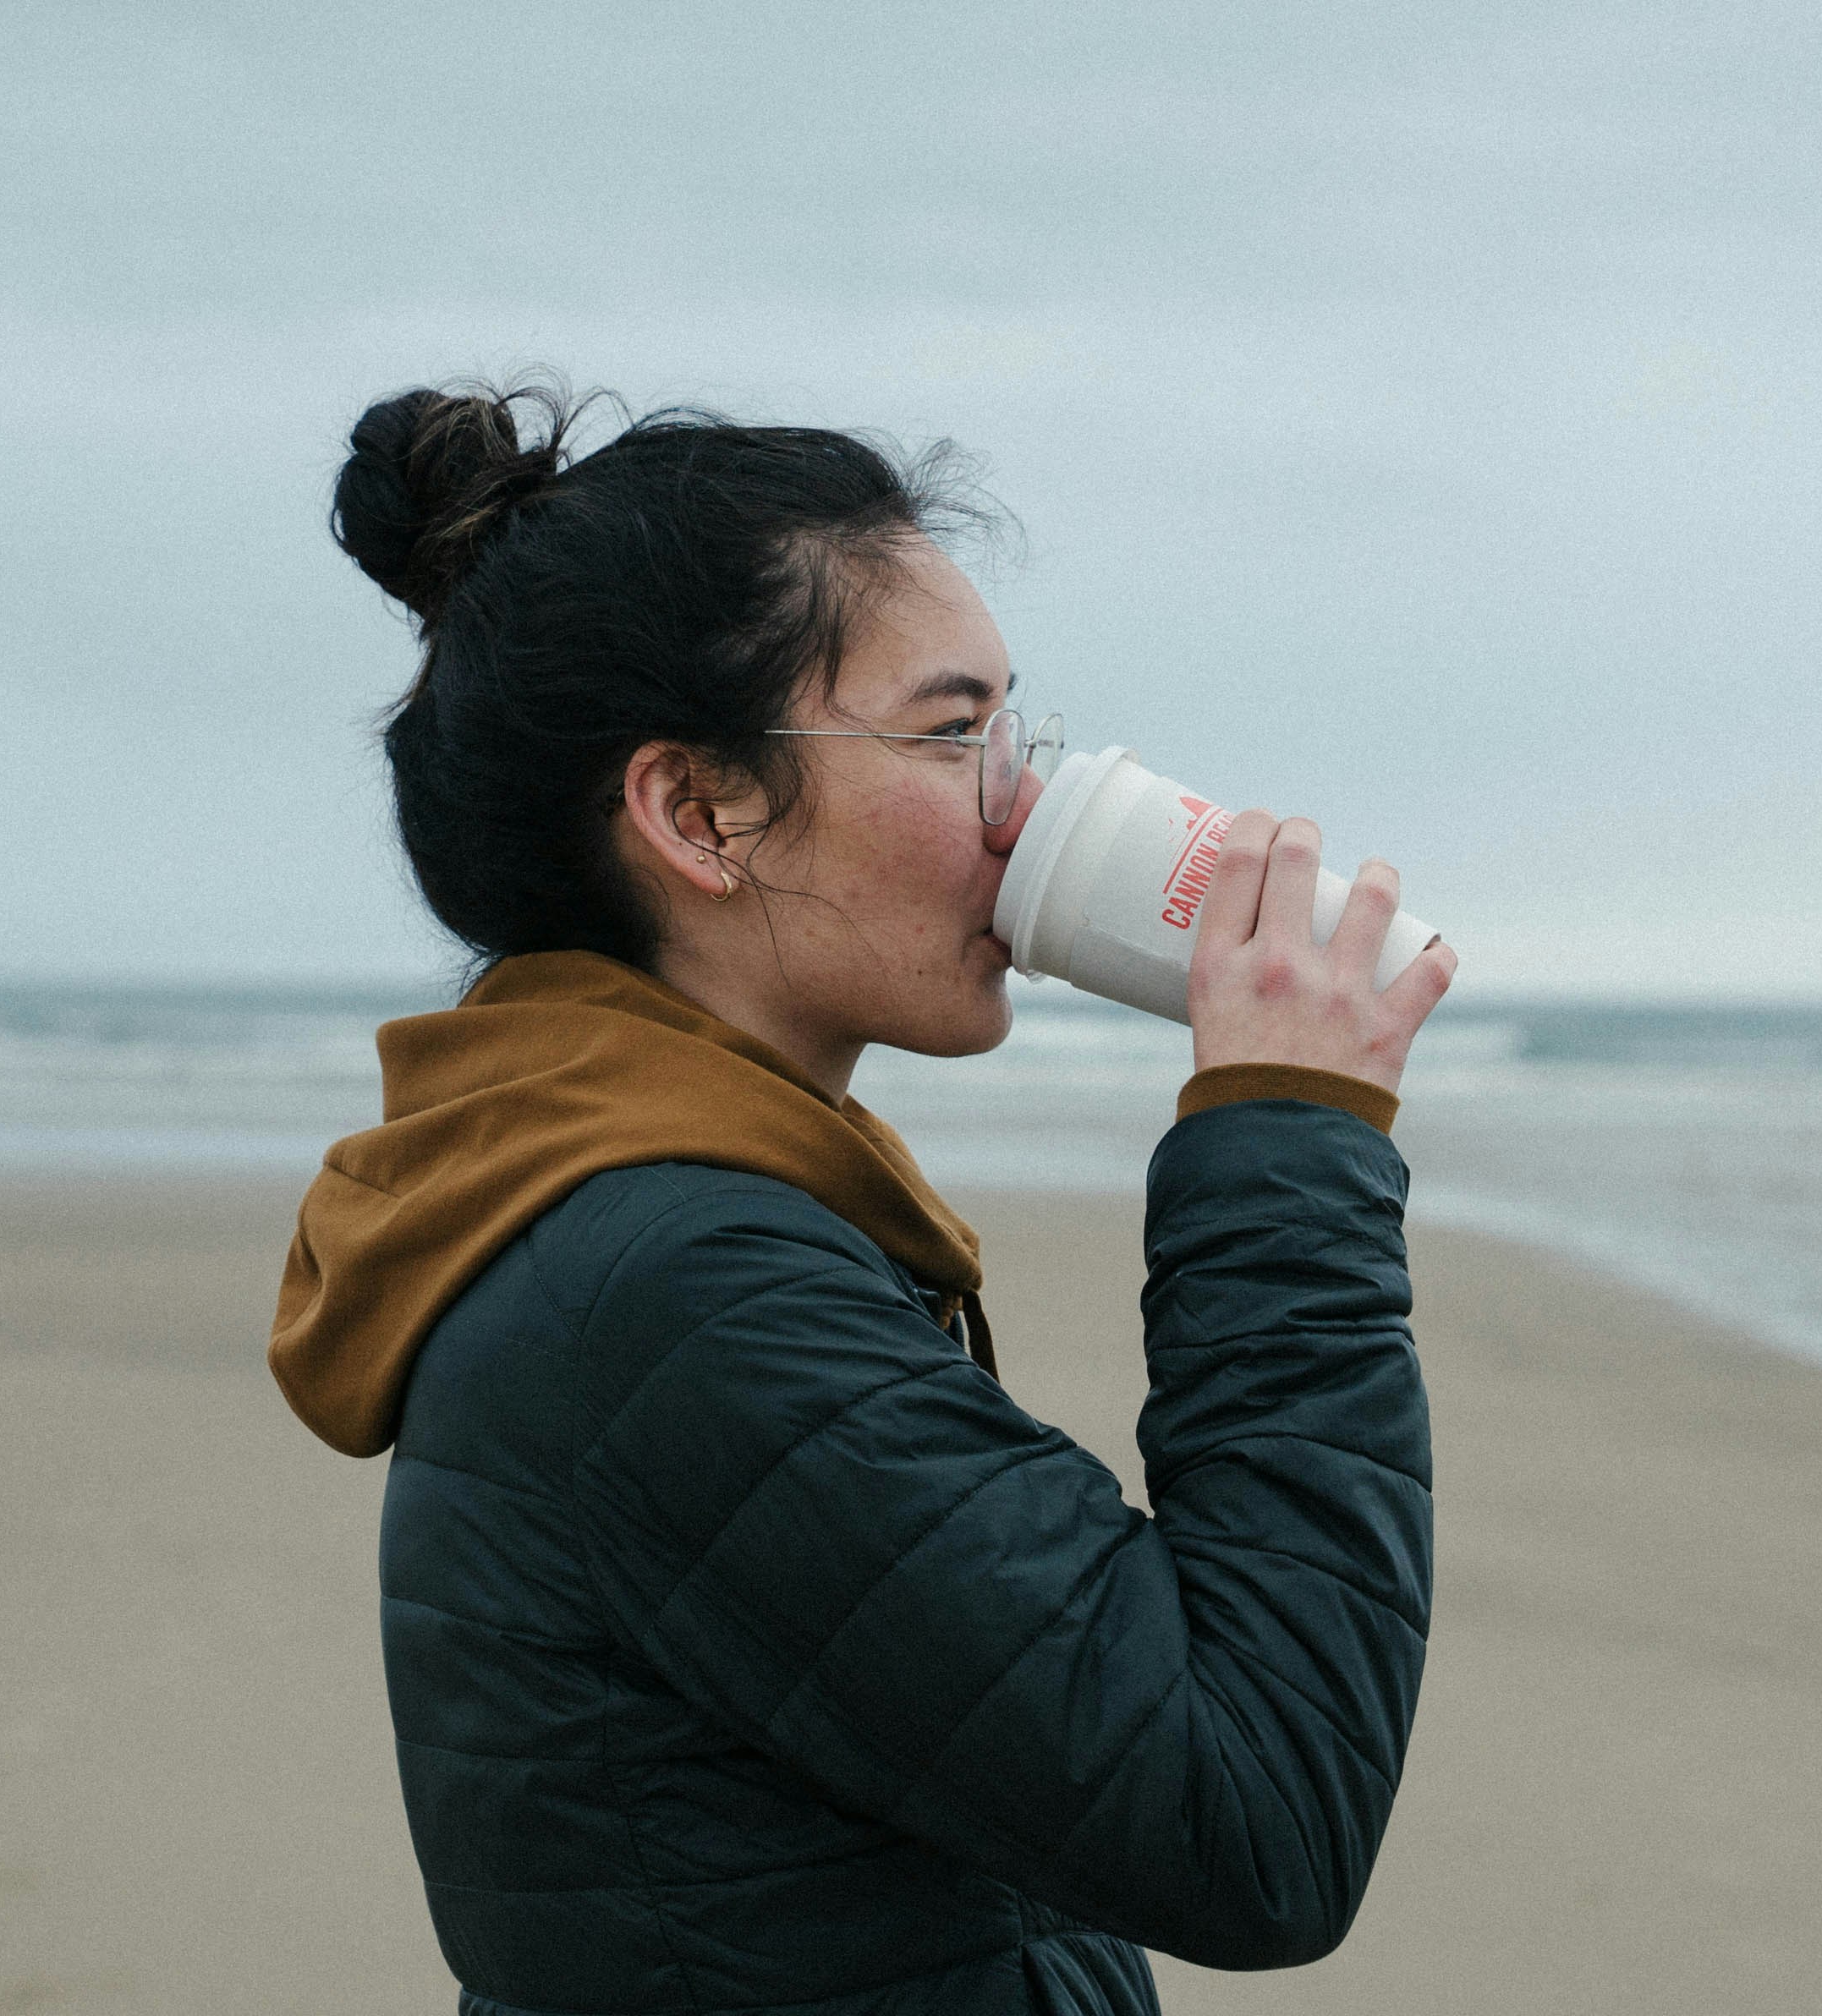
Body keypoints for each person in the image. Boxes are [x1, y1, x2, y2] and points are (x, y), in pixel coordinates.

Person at [269, 380, 1457, 2015]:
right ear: (700, 813)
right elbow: (1255, 1820)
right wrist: (1287, 1141)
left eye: (1011, 730)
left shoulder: (626, 1215)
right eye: (953, 733)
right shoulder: (679, 1290)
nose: (1024, 804)